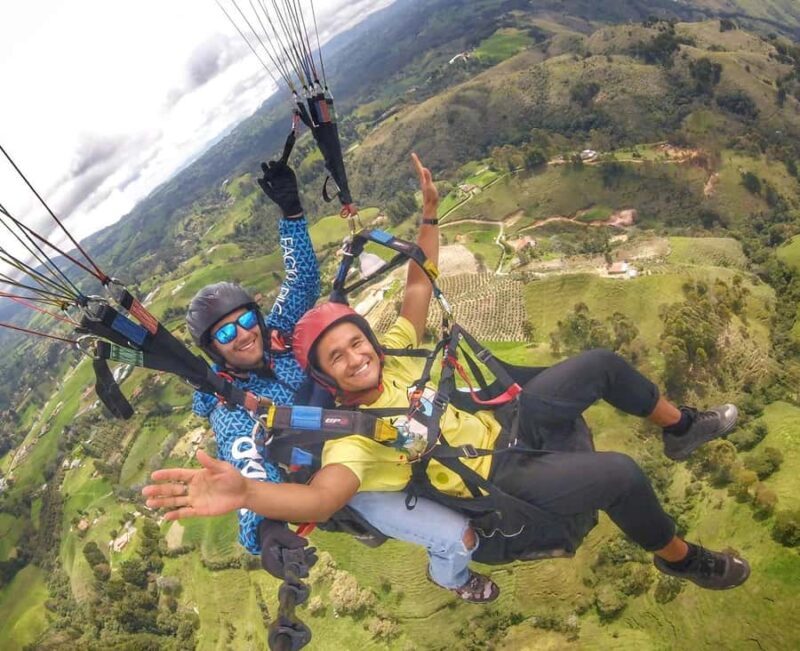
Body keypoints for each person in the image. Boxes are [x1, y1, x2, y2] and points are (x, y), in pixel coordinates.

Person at [147, 153, 749, 591]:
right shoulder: (342, 434)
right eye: (223, 334)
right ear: (324, 379)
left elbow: (413, 291)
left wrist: (428, 217)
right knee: (620, 474)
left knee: (601, 365)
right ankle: (681, 558)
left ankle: (681, 429)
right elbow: (320, 496)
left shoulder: (364, 345)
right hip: (491, 472)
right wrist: (252, 506)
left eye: (357, 343)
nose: (356, 357)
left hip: (502, 420)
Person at [184, 150, 496, 602]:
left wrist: (292, 214)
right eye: (226, 334)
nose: (243, 335)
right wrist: (267, 534)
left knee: (473, 410)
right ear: (213, 350)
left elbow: (301, 280)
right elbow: (248, 467)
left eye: (245, 320)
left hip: (380, 416)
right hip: (346, 474)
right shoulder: (232, 409)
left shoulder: (280, 334)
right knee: (456, 536)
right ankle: (453, 578)